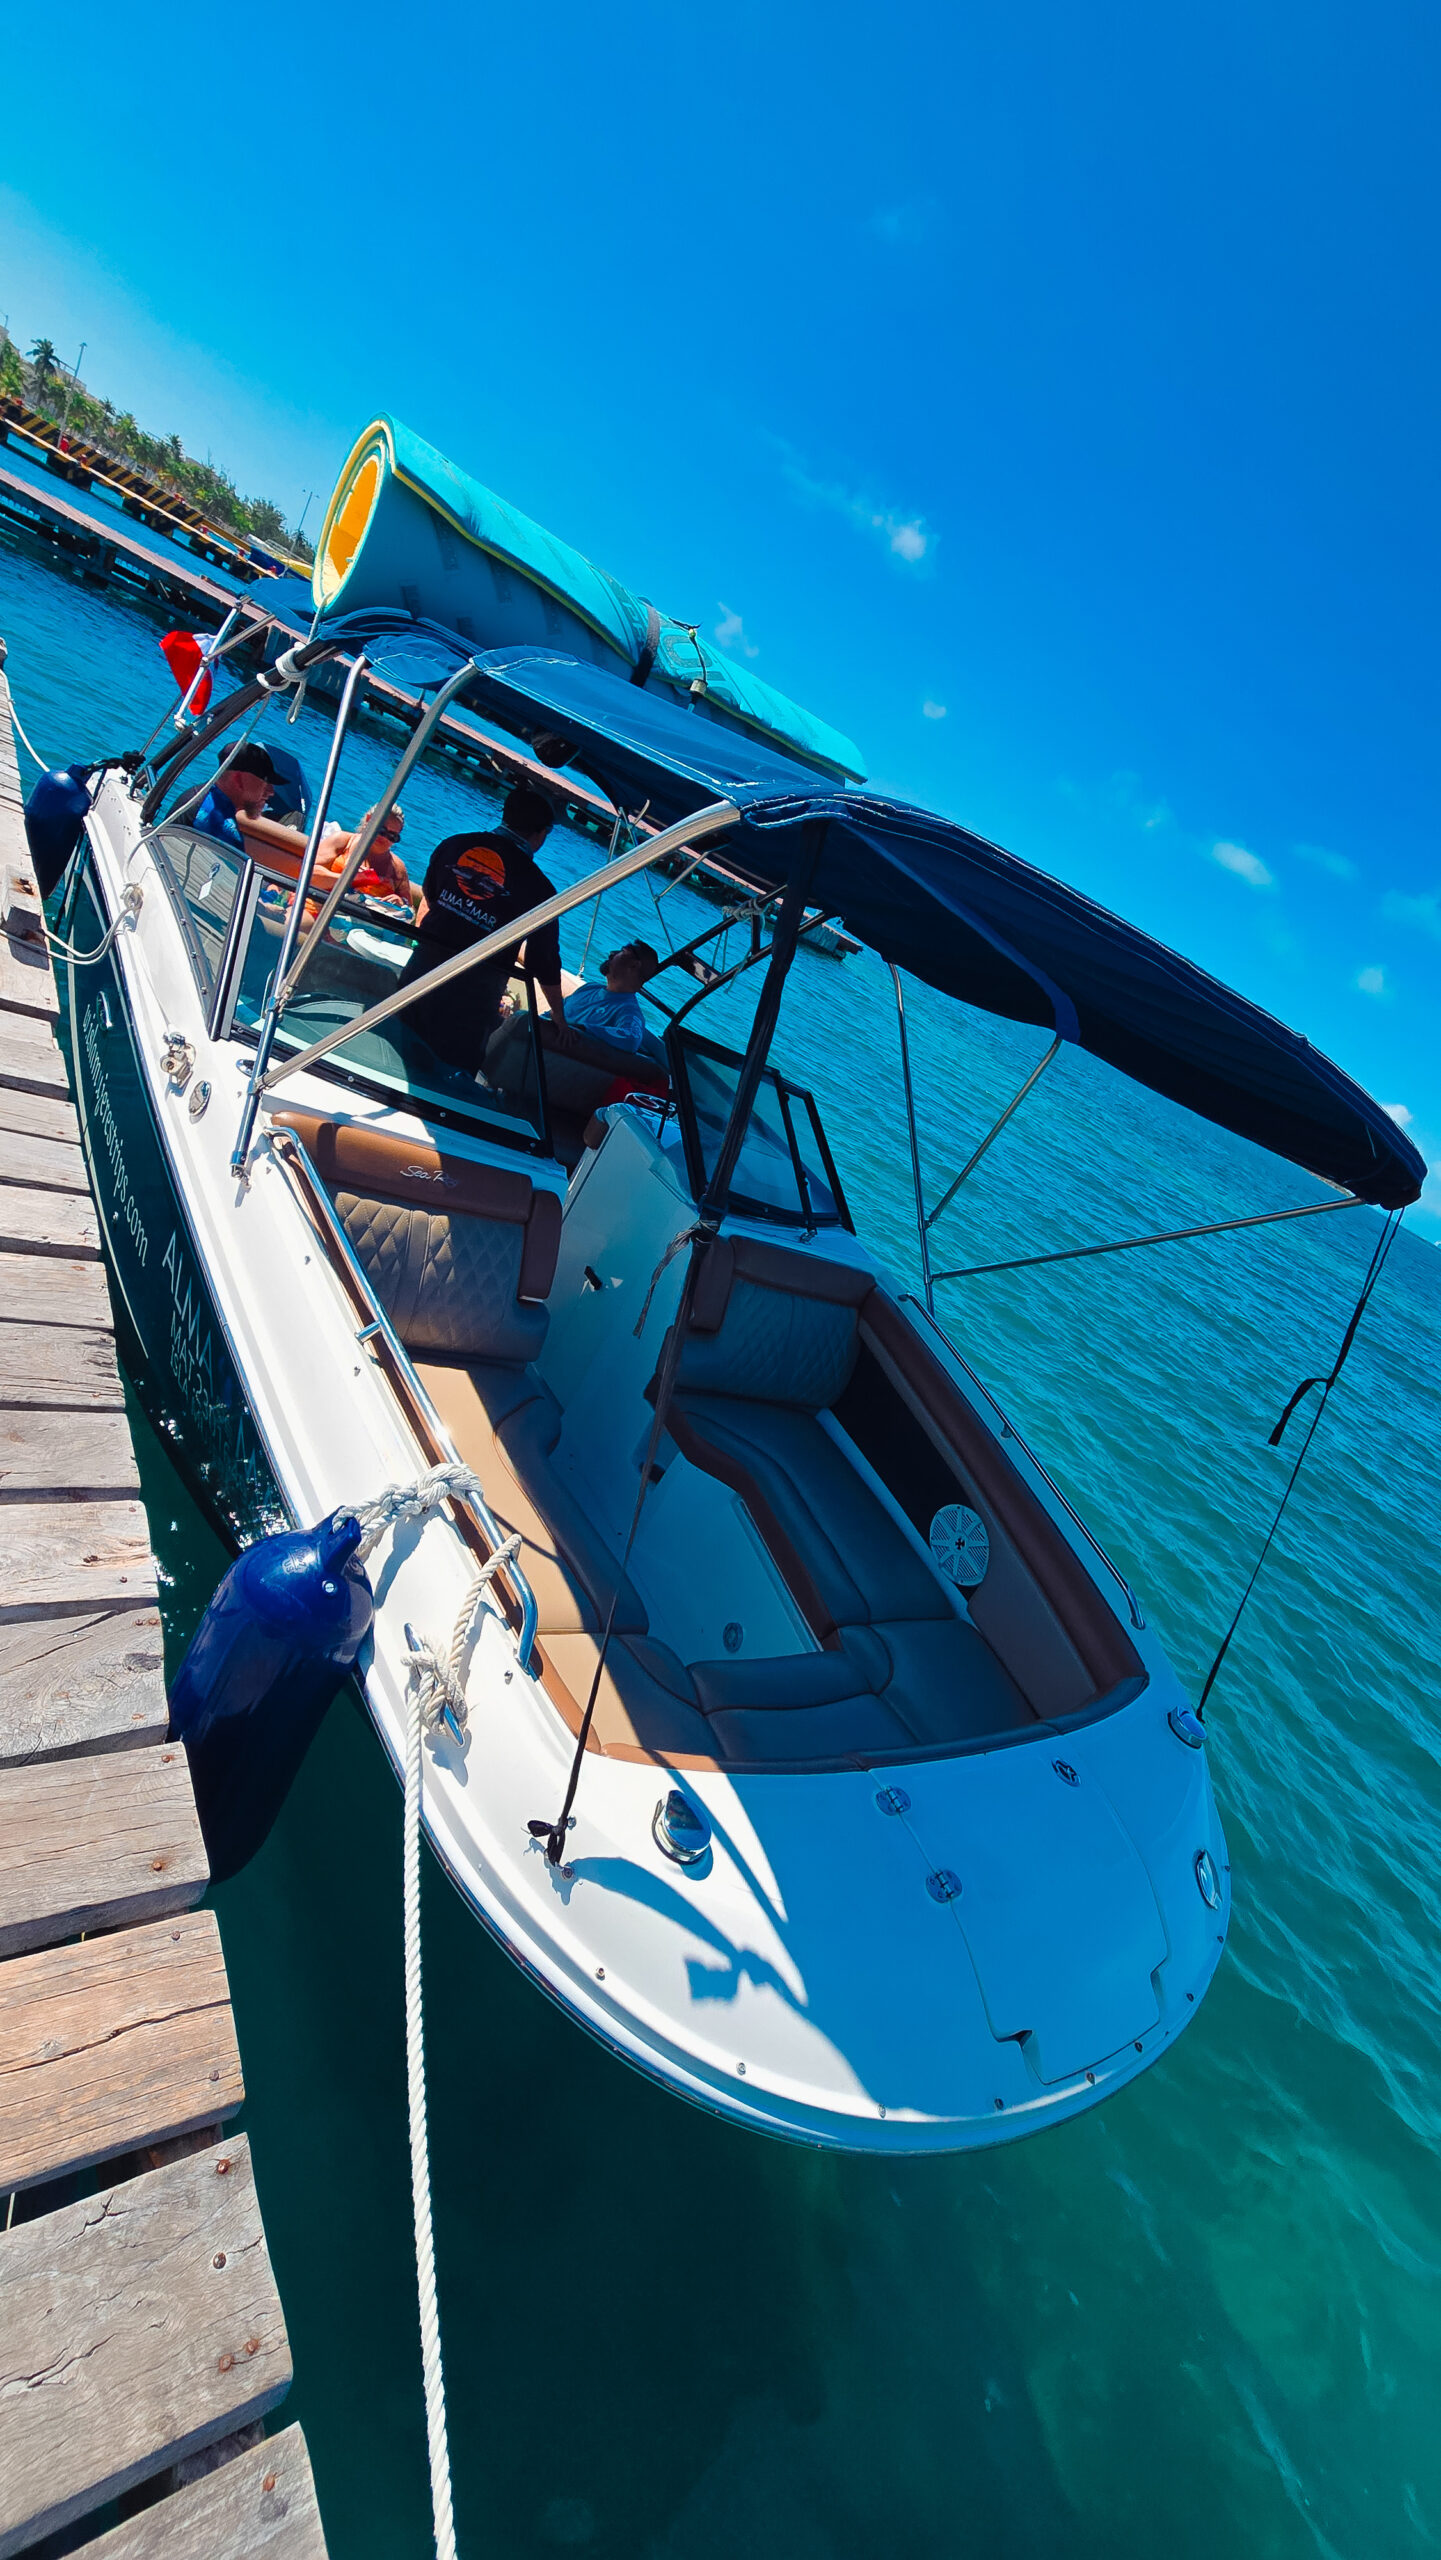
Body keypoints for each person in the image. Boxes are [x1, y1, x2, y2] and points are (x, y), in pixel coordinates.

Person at [396, 786, 568, 1075]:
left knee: (395, 1051)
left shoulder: (453, 846)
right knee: (447, 1078)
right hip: (472, 999)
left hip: (420, 973)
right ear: (541, 834)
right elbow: (543, 961)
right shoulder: (540, 889)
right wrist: (559, 1018)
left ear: (505, 815)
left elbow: (432, 895)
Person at [563, 941, 660, 1051]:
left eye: (622, 951)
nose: (612, 953)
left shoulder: (629, 1012)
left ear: (634, 965)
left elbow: (631, 1040)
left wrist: (579, 1029)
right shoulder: (589, 988)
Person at [192, 744, 278, 850]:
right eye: (265, 782)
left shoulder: (203, 795)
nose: (271, 792)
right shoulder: (218, 824)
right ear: (238, 780)